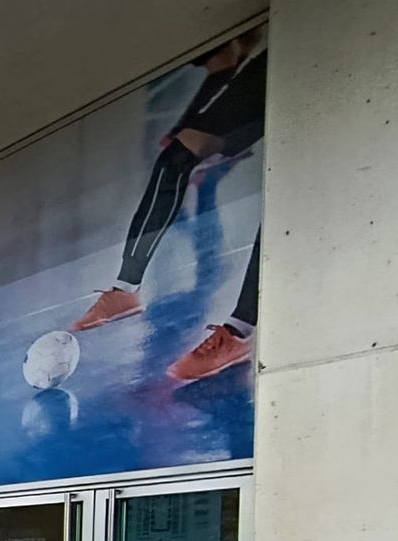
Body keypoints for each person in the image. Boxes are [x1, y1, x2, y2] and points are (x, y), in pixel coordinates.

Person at [70, 33, 265, 382]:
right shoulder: (236, 49)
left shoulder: (240, 50)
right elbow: (223, 67)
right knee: (175, 158)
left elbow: (224, 64)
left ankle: (239, 331)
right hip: (264, 72)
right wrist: (183, 126)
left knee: (272, 187)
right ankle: (125, 289)